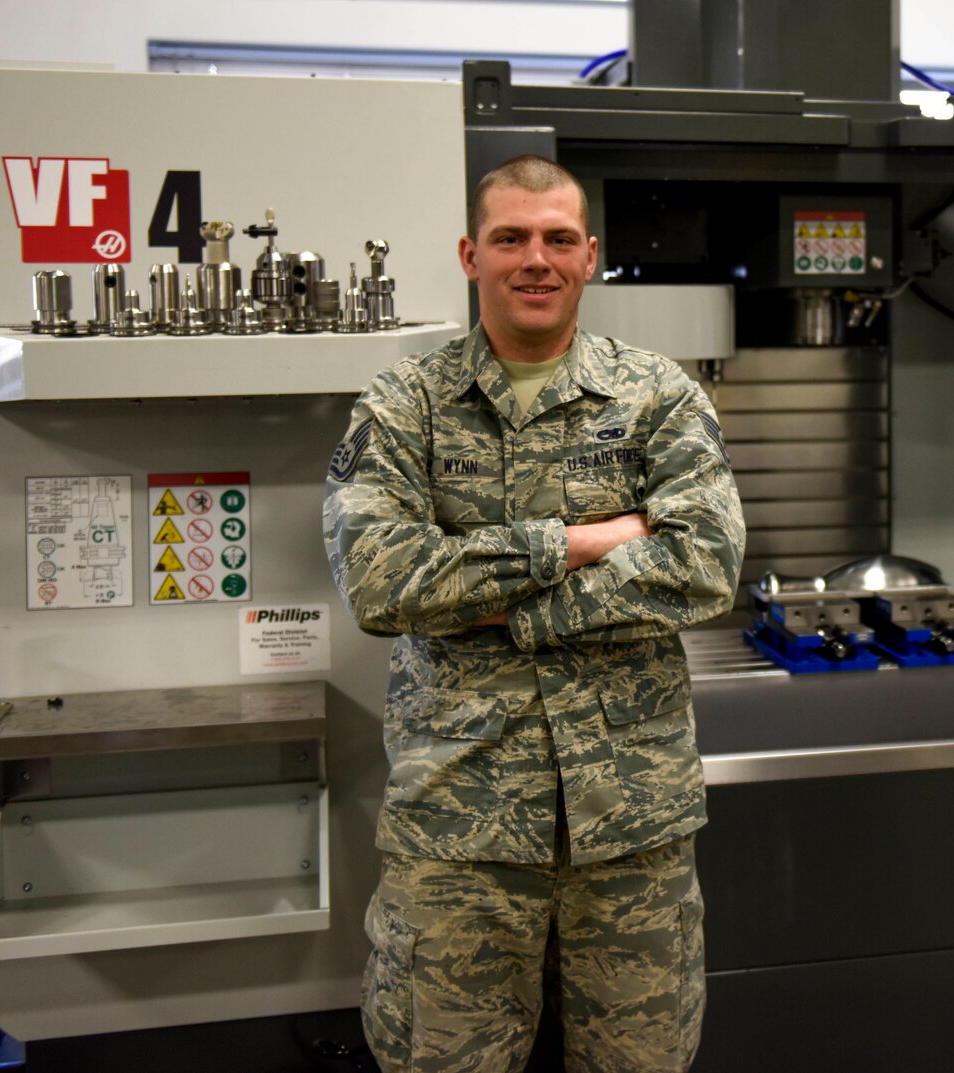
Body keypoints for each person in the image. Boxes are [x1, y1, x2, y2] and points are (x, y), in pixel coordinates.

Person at [323, 154, 745, 1073]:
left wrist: (505, 613)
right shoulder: (405, 406)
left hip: (633, 826)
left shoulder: (657, 395)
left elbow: (705, 566)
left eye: (558, 238)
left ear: (591, 256)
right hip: (459, 829)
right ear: (471, 254)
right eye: (511, 238)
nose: (535, 259)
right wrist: (577, 542)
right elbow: (382, 583)